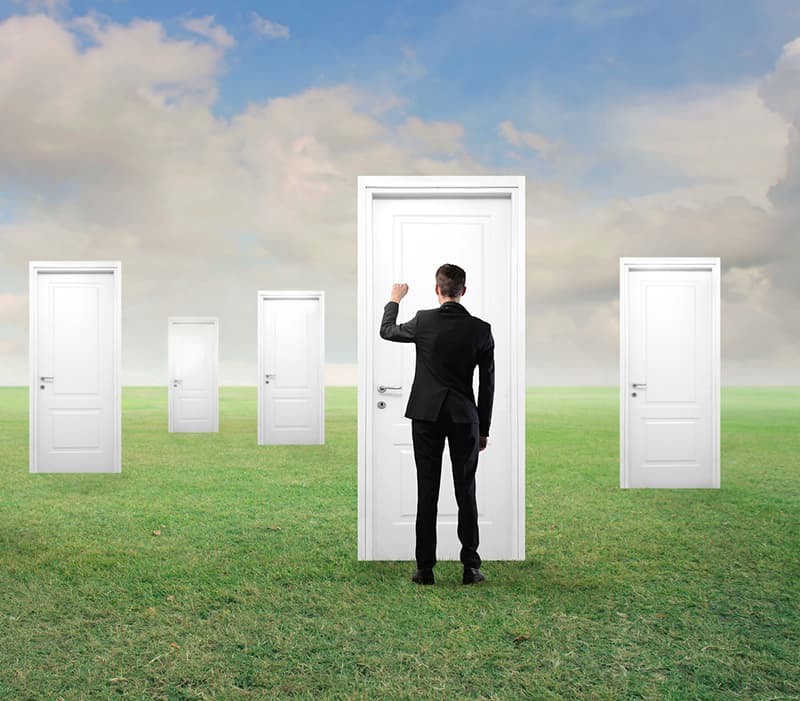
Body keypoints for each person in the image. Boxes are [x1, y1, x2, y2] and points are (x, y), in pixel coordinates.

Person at [379, 263, 494, 585]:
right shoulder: (481, 329)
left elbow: (387, 331)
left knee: (426, 491)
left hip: (426, 417)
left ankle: (424, 570)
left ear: (436, 289)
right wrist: (483, 428)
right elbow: (488, 384)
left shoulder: (424, 321)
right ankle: (470, 567)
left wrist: (394, 299)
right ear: (464, 291)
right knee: (465, 491)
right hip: (464, 418)